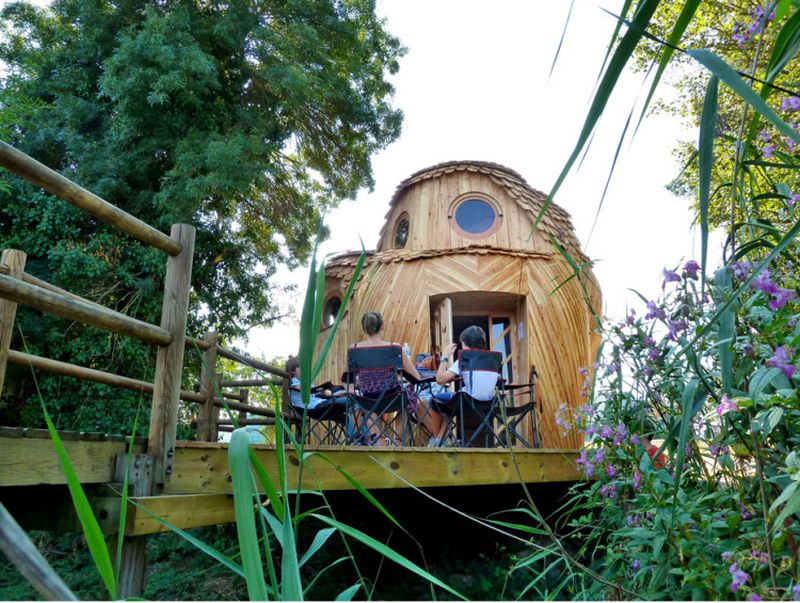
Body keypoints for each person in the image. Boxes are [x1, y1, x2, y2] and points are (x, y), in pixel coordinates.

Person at [350, 311, 425, 445]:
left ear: (363, 329)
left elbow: (346, 378)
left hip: (368, 398)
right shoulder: (395, 348)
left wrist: (358, 383)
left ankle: (378, 440)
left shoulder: (354, 349)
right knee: (408, 399)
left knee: (368, 404)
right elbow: (416, 377)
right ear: (382, 326)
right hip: (393, 398)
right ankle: (398, 441)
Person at [429, 325, 499, 446]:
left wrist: (445, 356)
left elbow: (440, 379)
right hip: (489, 404)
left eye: (462, 344)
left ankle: (437, 440)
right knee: (449, 405)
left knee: (434, 401)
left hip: (467, 402)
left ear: (466, 344)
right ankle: (442, 438)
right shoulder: (493, 359)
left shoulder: (465, 358)